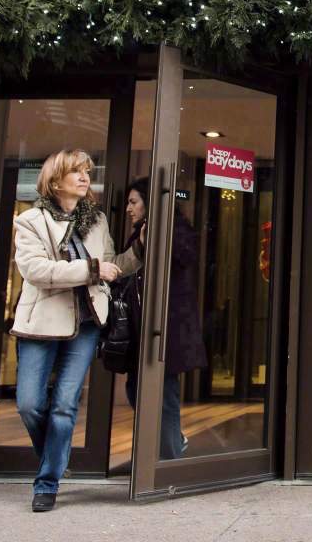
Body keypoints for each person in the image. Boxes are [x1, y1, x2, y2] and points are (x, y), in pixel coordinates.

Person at [11, 149, 141, 513]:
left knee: (65, 405)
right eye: (77, 172)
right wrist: (92, 269)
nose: (85, 177)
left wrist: (141, 248)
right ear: (55, 181)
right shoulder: (30, 221)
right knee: (30, 404)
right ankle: (56, 455)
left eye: (87, 171)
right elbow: (37, 271)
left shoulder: (96, 220)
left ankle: (47, 482)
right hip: (41, 324)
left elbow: (111, 265)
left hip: (86, 323)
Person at [119, 177, 209, 461]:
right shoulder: (139, 233)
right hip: (143, 327)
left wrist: (156, 236)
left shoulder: (177, 229)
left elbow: (185, 256)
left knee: (165, 394)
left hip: (168, 327)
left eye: (134, 202)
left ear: (150, 202)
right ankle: (171, 442)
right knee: (136, 389)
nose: (129, 209)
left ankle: (168, 460)